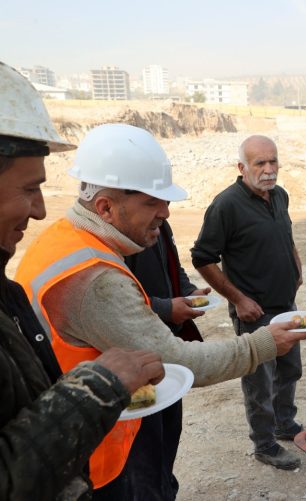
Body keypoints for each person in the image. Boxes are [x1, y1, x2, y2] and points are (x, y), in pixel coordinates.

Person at [14, 123, 306, 499]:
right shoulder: (91, 277)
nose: (166, 212)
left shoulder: (71, 242)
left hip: (94, 427)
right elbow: (176, 359)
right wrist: (262, 345)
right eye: (151, 201)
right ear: (106, 207)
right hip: (100, 456)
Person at [0, 60, 164, 500]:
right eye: (29, 189)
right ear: (108, 207)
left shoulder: (50, 251)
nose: (39, 210)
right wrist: (98, 385)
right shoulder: (87, 268)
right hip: (98, 459)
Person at [191, 135, 306, 470]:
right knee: (260, 381)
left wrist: (296, 266)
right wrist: (238, 299)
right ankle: (265, 445)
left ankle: (285, 424)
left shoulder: (280, 196)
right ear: (242, 167)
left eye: (273, 162)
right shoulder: (226, 205)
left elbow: (286, 235)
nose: (269, 170)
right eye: (260, 163)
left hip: (286, 304)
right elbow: (203, 257)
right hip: (255, 312)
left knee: (290, 369)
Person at [122, 219, 211, 500]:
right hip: (134, 360)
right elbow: (120, 298)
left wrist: (187, 291)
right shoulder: (110, 238)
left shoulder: (159, 222)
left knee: (168, 435)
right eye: (153, 201)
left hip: (166, 349)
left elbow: (174, 266)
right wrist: (165, 307)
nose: (164, 210)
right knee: (143, 451)